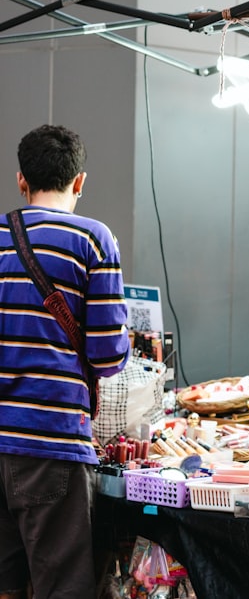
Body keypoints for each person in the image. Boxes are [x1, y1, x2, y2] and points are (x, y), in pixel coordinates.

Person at [0, 125, 130, 599]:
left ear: (21, 180)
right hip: (48, 444)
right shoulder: (93, 239)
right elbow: (107, 353)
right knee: (61, 589)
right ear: (79, 182)